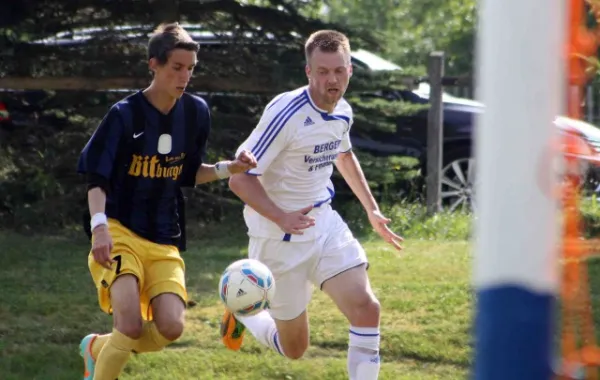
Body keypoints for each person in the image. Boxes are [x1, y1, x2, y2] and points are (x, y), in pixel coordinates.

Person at [76, 22, 257, 380]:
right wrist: (99, 229)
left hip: (164, 237)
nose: (185, 76)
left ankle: (97, 348)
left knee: (172, 328)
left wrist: (229, 168)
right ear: (153, 65)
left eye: (190, 68)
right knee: (127, 324)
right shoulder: (124, 115)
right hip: (119, 229)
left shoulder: (196, 113)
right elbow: (96, 178)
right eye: (177, 67)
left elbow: (187, 173)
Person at [220, 29, 403, 380]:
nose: (331, 79)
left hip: (325, 224)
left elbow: (344, 155)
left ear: (350, 70)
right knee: (295, 348)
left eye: (338, 70)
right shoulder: (286, 113)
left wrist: (372, 209)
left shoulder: (343, 111)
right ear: (308, 72)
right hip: (278, 239)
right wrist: (282, 217)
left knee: (367, 308)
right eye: (322, 71)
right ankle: (245, 310)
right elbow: (239, 178)